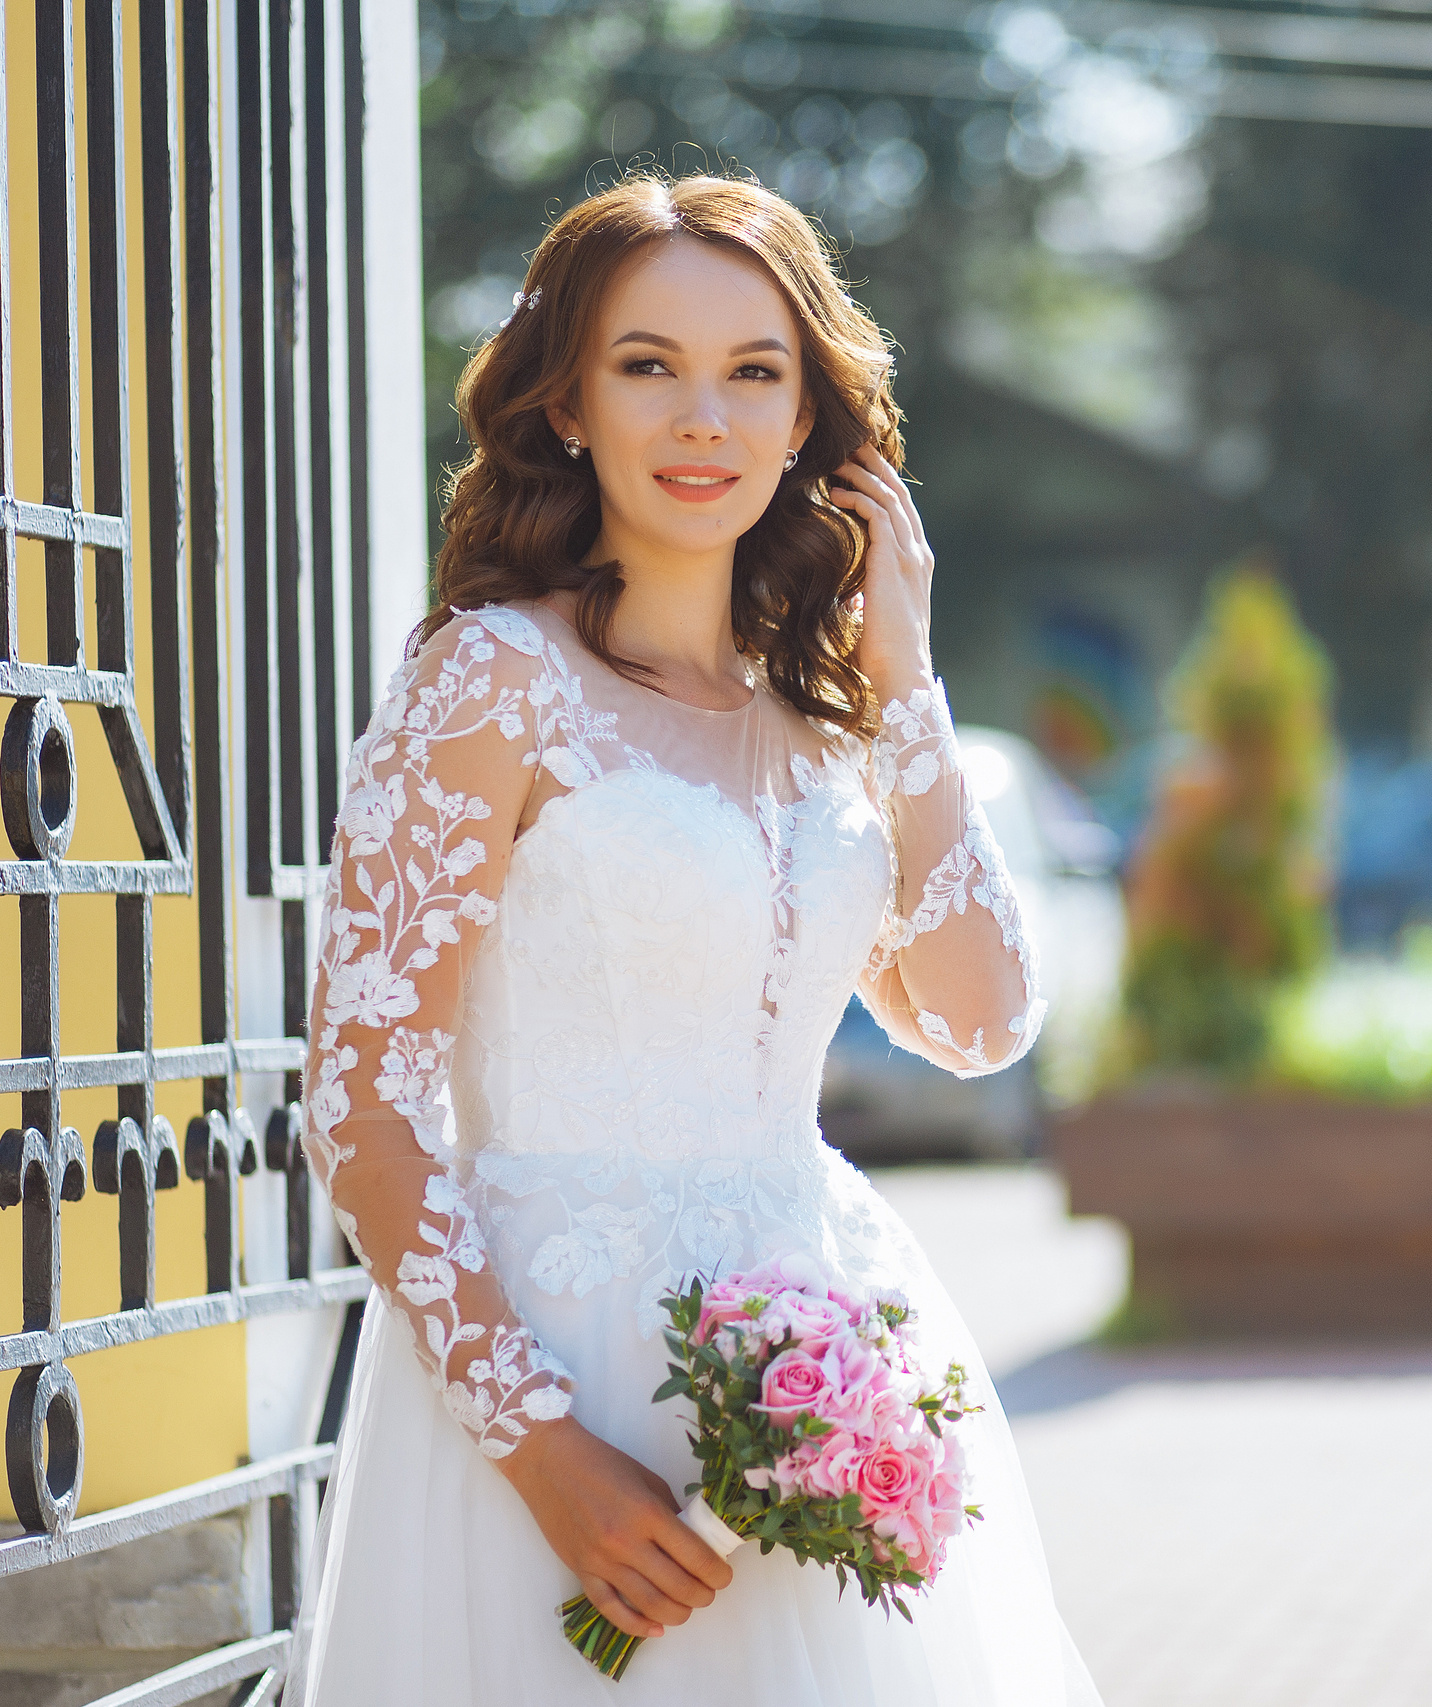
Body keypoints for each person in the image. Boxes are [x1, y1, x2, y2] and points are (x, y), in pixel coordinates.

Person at [300, 172, 1099, 1705]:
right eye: (647, 365)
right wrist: (541, 1449)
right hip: (554, 1353)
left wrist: (908, 677)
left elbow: (984, 1021)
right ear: (570, 403)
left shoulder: (834, 724)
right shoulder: (491, 685)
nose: (702, 419)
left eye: (754, 373)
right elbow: (362, 1106)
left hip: (823, 1362)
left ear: (808, 422)